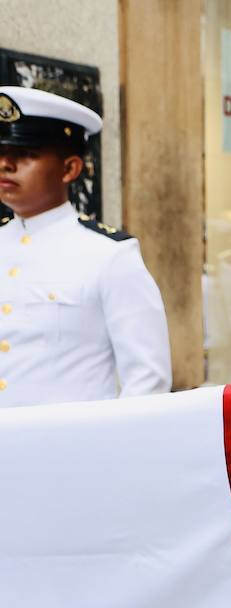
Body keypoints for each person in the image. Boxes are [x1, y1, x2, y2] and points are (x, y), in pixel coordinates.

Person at [0, 86, 170, 407]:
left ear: (70, 169)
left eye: (27, 154)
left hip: (65, 449)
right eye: (1, 152)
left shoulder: (108, 254)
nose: (7, 164)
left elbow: (147, 380)